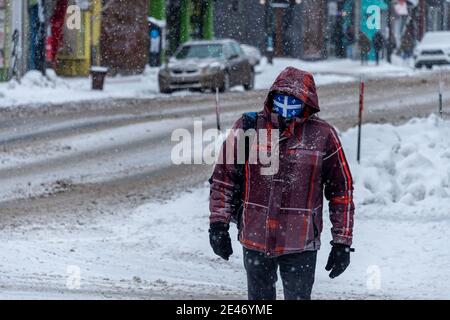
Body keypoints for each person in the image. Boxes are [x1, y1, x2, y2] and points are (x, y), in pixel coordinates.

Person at [208, 67, 355, 300]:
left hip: (301, 244)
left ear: (307, 103)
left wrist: (342, 242)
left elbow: (341, 192)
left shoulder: (323, 136)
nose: (286, 105)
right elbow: (223, 179)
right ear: (272, 96)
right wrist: (218, 225)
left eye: (294, 100)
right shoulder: (249, 127)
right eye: (281, 97)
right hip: (255, 238)